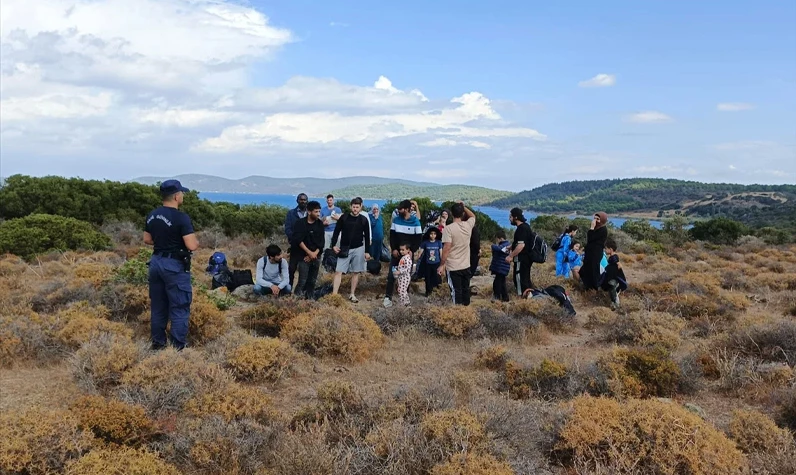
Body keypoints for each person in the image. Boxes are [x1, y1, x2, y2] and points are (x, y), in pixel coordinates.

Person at [143, 179, 199, 350]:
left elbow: (147, 239)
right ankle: (177, 348)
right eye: (181, 193)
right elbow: (191, 245)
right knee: (180, 306)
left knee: (158, 306)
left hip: (156, 262)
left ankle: (158, 344)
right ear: (176, 196)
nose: (182, 195)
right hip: (174, 265)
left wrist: (163, 243)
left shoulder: (152, 215)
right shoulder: (181, 218)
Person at [331, 197, 371, 302]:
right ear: (350, 206)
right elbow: (336, 231)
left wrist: (367, 251)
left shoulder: (364, 220)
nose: (355, 209)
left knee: (356, 272)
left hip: (359, 248)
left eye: (357, 207)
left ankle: (352, 294)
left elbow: (367, 236)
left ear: (361, 207)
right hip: (344, 248)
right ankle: (334, 295)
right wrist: (333, 245)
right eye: (353, 207)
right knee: (338, 271)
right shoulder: (344, 218)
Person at [383, 200, 423, 307]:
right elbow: (392, 236)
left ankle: (405, 298)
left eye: (401, 209)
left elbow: (418, 239)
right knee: (392, 275)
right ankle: (388, 297)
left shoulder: (415, 222)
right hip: (396, 254)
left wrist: (411, 251)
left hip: (408, 255)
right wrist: (394, 249)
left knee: (406, 276)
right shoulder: (396, 220)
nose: (399, 210)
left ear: (407, 209)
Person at [438, 201, 476, 306]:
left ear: (451, 214)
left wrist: (442, 264)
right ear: (463, 214)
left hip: (453, 266)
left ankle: (457, 313)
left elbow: (446, 248)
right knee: (465, 289)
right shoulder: (468, 225)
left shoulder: (448, 229)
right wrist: (464, 207)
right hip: (466, 265)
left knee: (456, 291)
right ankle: (466, 312)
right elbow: (472, 216)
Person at [291, 200, 324, 298]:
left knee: (312, 280)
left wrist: (315, 254)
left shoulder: (320, 224)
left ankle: (309, 299)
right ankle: (296, 299)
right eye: (316, 211)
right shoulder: (300, 223)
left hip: (316, 256)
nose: (318, 214)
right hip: (303, 256)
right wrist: (309, 253)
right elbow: (298, 240)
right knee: (302, 280)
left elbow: (321, 242)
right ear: (309, 212)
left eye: (319, 211)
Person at [505, 208, 535, 296]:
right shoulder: (526, 226)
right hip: (527, 258)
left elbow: (521, 245)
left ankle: (522, 296)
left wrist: (510, 256)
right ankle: (529, 295)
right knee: (525, 278)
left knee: (519, 278)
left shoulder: (521, 229)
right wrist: (511, 246)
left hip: (521, 259)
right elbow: (522, 242)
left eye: (511, 217)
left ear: (516, 217)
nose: (509, 219)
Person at [579, 212, 609, 290]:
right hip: (589, 253)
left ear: (602, 220)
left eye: (598, 219)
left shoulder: (603, 230)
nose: (595, 221)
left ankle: (594, 287)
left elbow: (591, 238)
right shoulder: (597, 228)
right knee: (585, 269)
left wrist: (591, 228)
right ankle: (587, 285)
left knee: (593, 270)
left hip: (595, 253)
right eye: (594, 218)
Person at [284, 193, 309, 287]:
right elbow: (287, 229)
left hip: (307, 247)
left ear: (307, 201)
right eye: (301, 199)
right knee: (291, 269)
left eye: (304, 199)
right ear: (297, 201)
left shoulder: (310, 213)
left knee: (304, 272)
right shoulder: (291, 213)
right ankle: (288, 289)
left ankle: (301, 292)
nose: (303, 201)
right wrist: (296, 239)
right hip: (295, 246)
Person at [600, 239, 627, 309]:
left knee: (613, 289)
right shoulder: (612, 257)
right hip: (611, 276)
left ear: (610, 249)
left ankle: (616, 304)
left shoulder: (614, 257)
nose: (605, 250)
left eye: (606, 248)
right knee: (611, 289)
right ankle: (614, 303)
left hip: (614, 277)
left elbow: (617, 262)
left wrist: (618, 264)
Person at [418, 227, 443, 296]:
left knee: (436, 277)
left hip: (436, 263)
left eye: (434, 234)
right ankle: (428, 291)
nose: (433, 235)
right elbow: (421, 251)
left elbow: (441, 253)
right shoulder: (425, 243)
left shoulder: (439, 242)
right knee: (427, 278)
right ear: (428, 234)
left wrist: (442, 263)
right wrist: (419, 255)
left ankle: (436, 290)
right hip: (428, 263)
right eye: (431, 234)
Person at [489, 230, 511, 302]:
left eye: (497, 239)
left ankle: (497, 297)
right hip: (502, 268)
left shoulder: (506, 245)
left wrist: (492, 246)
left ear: (500, 238)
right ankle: (505, 298)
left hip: (501, 268)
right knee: (502, 283)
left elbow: (499, 249)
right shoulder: (506, 244)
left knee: (497, 283)